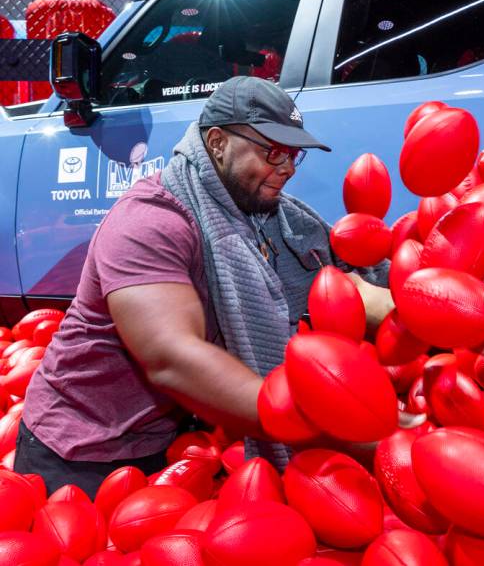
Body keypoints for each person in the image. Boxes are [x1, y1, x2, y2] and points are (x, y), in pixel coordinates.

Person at [15, 76, 394, 496]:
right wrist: (327, 420)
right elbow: (172, 357)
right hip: (83, 450)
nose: (286, 168)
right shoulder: (151, 220)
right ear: (216, 142)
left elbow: (351, 282)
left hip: (172, 438)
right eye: (273, 152)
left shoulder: (273, 218)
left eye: (294, 155)